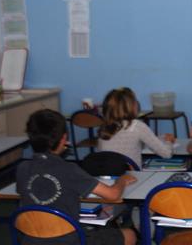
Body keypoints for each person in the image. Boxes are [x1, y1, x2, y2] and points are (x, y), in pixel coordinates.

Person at [16, 109, 137, 245]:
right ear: (63, 139)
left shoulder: (22, 168)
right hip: (70, 240)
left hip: (30, 240)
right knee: (130, 235)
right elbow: (113, 195)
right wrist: (122, 180)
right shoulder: (69, 170)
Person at [98, 87, 175, 169]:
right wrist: (168, 141)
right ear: (133, 106)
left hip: (106, 176)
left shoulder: (104, 127)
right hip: (131, 176)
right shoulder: (137, 126)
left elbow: (130, 142)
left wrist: (161, 137)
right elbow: (166, 154)